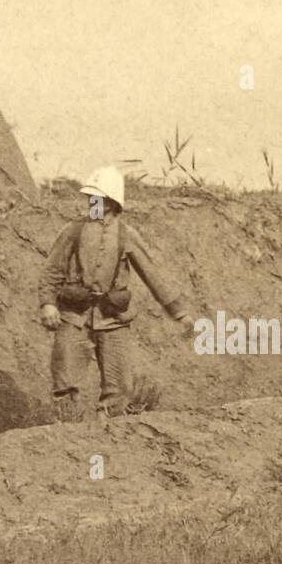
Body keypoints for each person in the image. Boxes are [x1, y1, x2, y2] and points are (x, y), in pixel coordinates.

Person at [39, 166, 193, 418]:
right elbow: (52, 272)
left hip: (113, 321)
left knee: (119, 390)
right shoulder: (73, 231)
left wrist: (179, 312)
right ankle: (68, 440)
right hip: (74, 319)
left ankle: (107, 444)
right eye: (90, 199)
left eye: (97, 199)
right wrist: (48, 303)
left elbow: (153, 276)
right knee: (64, 386)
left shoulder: (126, 235)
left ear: (112, 202)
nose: (91, 203)